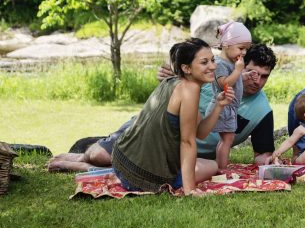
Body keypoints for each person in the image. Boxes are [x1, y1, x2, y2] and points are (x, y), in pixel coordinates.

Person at [48, 43, 280, 171]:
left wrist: (271, 160)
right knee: (99, 155)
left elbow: (262, 156)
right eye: (251, 72)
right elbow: (178, 75)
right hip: (154, 133)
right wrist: (168, 73)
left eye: (264, 76)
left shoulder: (262, 111)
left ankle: (78, 164)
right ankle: (82, 160)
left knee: (151, 171)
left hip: (182, 157)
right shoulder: (211, 76)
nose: (256, 80)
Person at [112, 38, 232, 194]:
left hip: (121, 160)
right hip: (139, 175)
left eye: (212, 60)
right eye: (204, 62)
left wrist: (218, 106)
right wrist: (190, 190)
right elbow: (187, 142)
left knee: (207, 164)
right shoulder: (190, 89)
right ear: (187, 68)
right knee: (211, 166)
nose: (213, 66)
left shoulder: (173, 81)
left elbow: (200, 133)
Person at [207, 21, 252, 169]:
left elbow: (234, 80)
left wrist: (244, 76)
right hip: (222, 108)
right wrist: (239, 71)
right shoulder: (220, 64)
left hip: (229, 107)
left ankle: (221, 166)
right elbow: (224, 83)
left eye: (246, 49)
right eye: (241, 48)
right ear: (226, 45)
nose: (244, 53)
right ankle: (221, 169)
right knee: (227, 139)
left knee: (228, 139)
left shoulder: (231, 64)